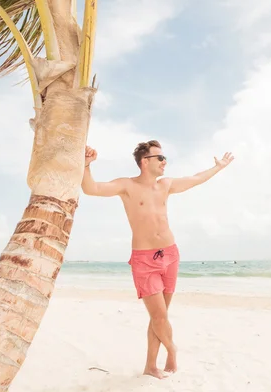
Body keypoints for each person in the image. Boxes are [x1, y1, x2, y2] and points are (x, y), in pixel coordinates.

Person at [81, 140, 234, 379]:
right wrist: (86, 165)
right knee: (160, 316)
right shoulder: (127, 185)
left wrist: (218, 167)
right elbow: (92, 189)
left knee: (159, 316)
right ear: (145, 161)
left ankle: (150, 366)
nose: (165, 162)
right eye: (160, 158)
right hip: (144, 260)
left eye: (165, 158)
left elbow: (195, 179)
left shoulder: (166, 185)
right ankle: (172, 350)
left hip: (170, 255)